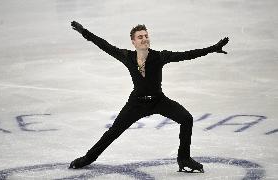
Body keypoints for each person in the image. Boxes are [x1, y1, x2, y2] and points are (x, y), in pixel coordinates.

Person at [69, 21, 229, 172]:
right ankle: (88, 158)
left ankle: (184, 158)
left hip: (158, 101)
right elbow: (104, 45)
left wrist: (212, 48)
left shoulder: (159, 56)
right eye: (140, 37)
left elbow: (186, 55)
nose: (144, 39)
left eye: (146, 36)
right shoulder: (127, 56)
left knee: (186, 119)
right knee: (113, 132)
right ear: (133, 41)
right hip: (136, 104)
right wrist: (84, 32)